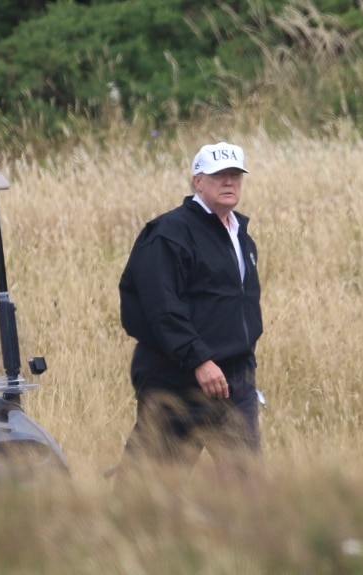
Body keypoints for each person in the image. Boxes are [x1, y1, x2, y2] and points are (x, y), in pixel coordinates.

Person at [116, 141, 263, 483]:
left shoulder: (240, 235)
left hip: (233, 381)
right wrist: (199, 360)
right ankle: (121, 533)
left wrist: (244, 364)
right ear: (198, 181)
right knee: (151, 484)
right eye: (219, 175)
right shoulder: (169, 234)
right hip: (177, 379)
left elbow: (238, 306)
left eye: (235, 175)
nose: (229, 182)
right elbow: (161, 308)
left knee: (246, 484)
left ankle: (244, 536)